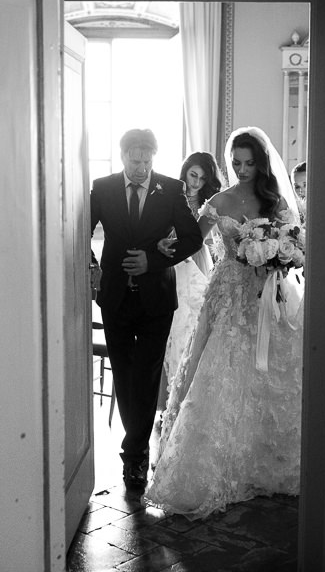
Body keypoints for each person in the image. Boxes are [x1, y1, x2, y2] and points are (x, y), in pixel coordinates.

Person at [145, 126, 305, 518]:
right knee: (222, 366)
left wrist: (280, 258)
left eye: (249, 163)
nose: (242, 169)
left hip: (270, 293)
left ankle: (268, 461)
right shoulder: (220, 200)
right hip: (230, 293)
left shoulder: (277, 201)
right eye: (236, 163)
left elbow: (297, 242)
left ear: (262, 163)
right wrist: (162, 247)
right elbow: (193, 240)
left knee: (270, 371)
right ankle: (216, 465)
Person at [89, 128, 203, 494]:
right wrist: (92, 265)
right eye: (134, 160)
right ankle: (137, 447)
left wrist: (151, 261)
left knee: (148, 373)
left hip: (157, 299)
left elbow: (192, 238)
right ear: (122, 156)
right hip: (116, 297)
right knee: (124, 373)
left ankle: (133, 453)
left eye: (147, 160)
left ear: (154, 157)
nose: (141, 168)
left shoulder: (170, 189)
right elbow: (76, 230)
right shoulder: (102, 188)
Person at [157, 152, 222, 405]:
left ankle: (191, 395)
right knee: (173, 323)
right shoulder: (169, 195)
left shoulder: (210, 203)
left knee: (194, 319)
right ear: (185, 171)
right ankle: (166, 397)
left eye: (202, 178)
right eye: (193, 175)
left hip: (197, 259)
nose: (196, 182)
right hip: (172, 259)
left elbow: (205, 237)